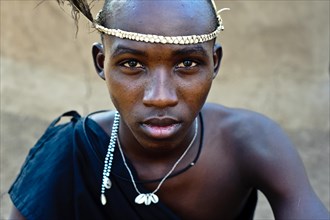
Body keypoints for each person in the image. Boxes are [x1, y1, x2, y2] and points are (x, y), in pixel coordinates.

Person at [8, 0, 329, 219]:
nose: (160, 97)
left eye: (187, 63)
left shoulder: (250, 143)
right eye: (131, 63)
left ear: (213, 63)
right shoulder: (69, 153)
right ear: (101, 63)